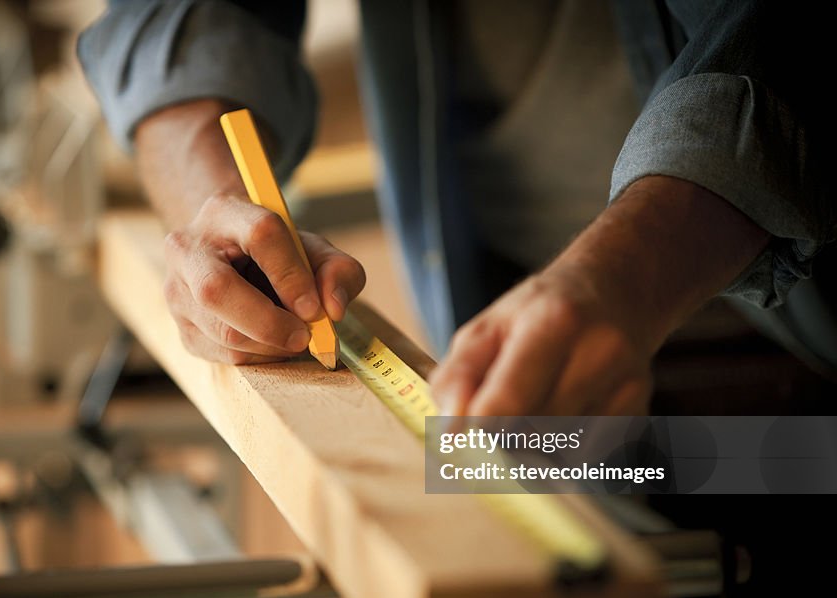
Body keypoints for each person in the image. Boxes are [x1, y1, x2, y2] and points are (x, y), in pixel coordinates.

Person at [77, 0, 836, 417]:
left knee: (783, 531)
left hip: (800, 358)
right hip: (533, 379)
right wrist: (218, 209)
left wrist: (631, 271)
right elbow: (180, 16)